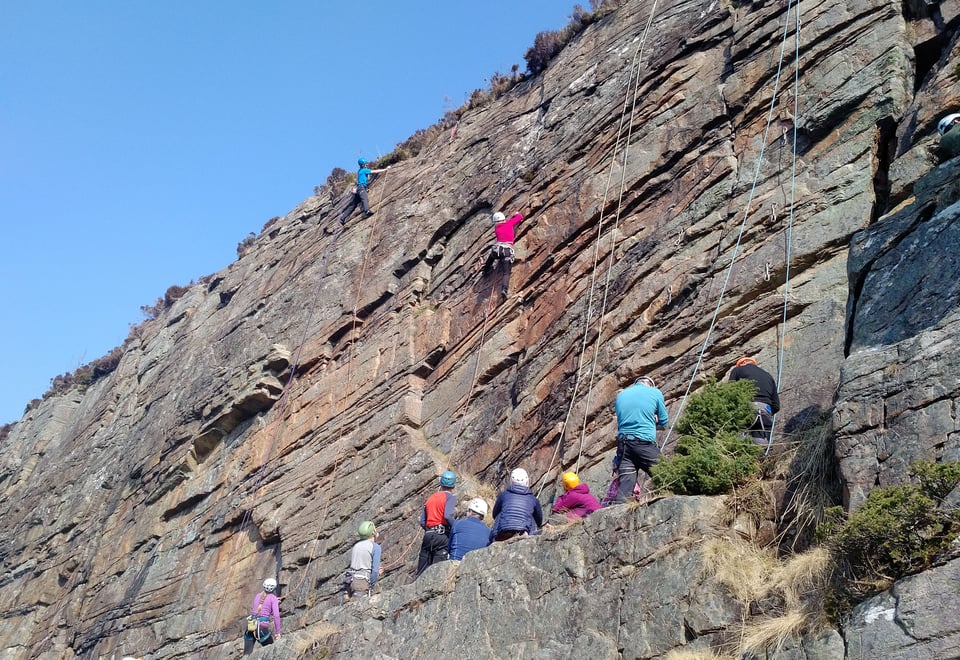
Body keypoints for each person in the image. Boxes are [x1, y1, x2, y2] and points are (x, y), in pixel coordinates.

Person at [614, 376, 668, 504]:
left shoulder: (621, 396)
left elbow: (626, 419)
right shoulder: (655, 392)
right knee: (666, 473)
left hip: (623, 446)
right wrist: (653, 421)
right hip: (643, 443)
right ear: (650, 384)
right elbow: (664, 422)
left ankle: (616, 517)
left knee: (625, 489)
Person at [728, 356, 781, 445]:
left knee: (740, 440)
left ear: (741, 364)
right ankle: (760, 455)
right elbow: (776, 405)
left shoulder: (737, 370)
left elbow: (729, 392)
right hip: (765, 410)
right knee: (761, 441)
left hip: (746, 407)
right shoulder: (768, 376)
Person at [416, 470, 457, 576]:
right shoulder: (450, 498)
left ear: (441, 483)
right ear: (453, 485)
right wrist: (456, 527)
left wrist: (430, 530)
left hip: (428, 535)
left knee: (422, 570)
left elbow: (422, 522)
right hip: (442, 537)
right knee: (438, 571)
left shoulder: (431, 498)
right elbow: (447, 515)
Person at [491, 468, 543, 541]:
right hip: (522, 531)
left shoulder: (503, 495)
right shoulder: (533, 499)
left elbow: (494, 514)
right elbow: (539, 521)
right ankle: (529, 539)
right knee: (531, 516)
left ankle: (494, 538)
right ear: (527, 481)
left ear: (511, 481)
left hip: (503, 532)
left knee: (501, 512)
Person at [339, 157, 389, 224]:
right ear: (363, 165)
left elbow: (364, 179)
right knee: (364, 198)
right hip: (361, 188)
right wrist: (385, 169)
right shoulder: (364, 170)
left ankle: (342, 218)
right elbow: (374, 171)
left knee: (353, 206)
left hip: (358, 189)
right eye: (365, 163)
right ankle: (367, 211)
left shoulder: (359, 171)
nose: (366, 164)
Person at [343, 520, 382, 600]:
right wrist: (371, 584)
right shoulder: (375, 547)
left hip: (350, 581)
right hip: (362, 582)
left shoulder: (356, 546)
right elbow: (374, 571)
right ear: (373, 532)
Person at [243, 577, 281, 649]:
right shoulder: (273, 598)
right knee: (270, 650)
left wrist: (275, 601)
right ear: (274, 587)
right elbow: (276, 616)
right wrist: (278, 633)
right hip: (261, 628)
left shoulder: (257, 595)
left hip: (251, 625)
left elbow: (260, 608)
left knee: (247, 654)